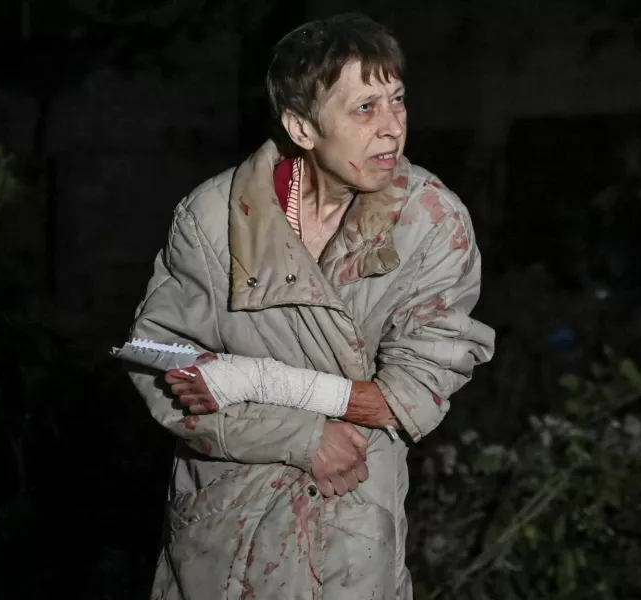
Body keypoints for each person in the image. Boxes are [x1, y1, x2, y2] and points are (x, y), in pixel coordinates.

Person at [126, 12, 494, 600]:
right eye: (364, 109)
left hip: (353, 536)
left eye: (397, 100)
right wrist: (299, 434)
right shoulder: (213, 220)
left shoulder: (430, 222)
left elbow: (411, 395)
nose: (393, 129)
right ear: (301, 127)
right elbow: (156, 358)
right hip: (224, 540)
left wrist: (248, 379)